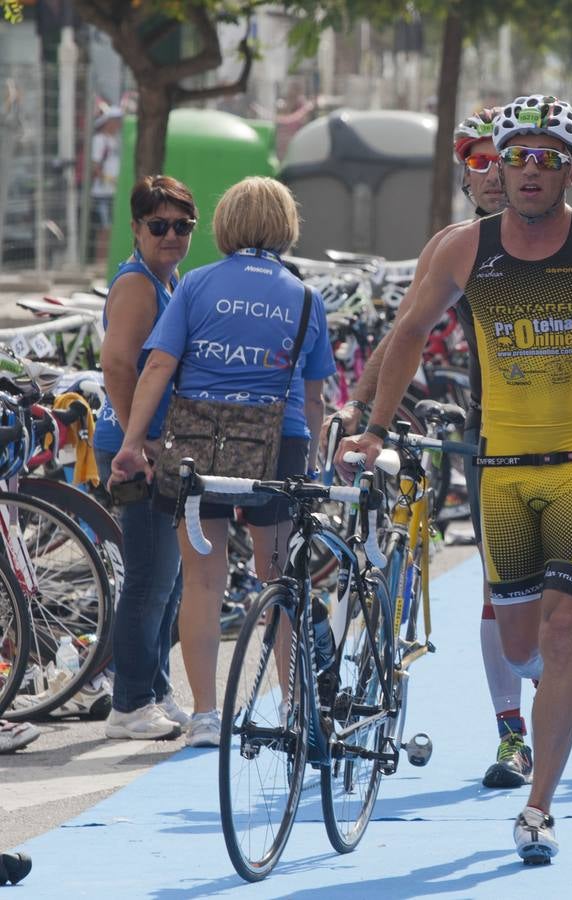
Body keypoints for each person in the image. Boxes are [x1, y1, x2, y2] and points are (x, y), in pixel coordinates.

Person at [340, 94, 572, 864]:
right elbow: (407, 334)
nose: (531, 171)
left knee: (562, 634)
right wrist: (371, 429)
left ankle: (539, 808)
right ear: (498, 168)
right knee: (521, 641)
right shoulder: (464, 249)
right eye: (517, 158)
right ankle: (545, 715)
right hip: (499, 470)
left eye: (548, 159)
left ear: (569, 169)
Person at [323, 107, 535, 790]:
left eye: (502, 156)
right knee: (499, 593)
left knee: (553, 612)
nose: (493, 172)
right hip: (494, 435)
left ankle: (549, 705)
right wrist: (361, 404)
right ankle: (513, 738)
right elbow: (405, 332)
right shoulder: (456, 246)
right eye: (476, 160)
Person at [112, 177, 336, 748]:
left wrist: (132, 444)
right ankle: (291, 708)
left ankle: (207, 715)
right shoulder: (307, 297)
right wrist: (311, 465)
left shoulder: (198, 285)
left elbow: (158, 367)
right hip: (277, 444)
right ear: (287, 226)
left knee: (203, 583)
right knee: (281, 580)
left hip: (196, 443)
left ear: (225, 224)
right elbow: (314, 398)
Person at [95, 175, 198, 740]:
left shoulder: (166, 277)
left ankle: (154, 688)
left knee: (169, 576)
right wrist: (138, 440)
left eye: (182, 226)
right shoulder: (138, 284)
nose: (170, 236)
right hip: (136, 449)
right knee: (149, 576)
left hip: (155, 445)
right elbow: (116, 365)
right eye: (158, 226)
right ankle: (129, 703)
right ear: (135, 229)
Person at [90, 107, 124, 262]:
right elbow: (95, 166)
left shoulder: (117, 140)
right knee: (104, 228)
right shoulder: (99, 140)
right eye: (116, 120)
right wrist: (109, 179)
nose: (118, 124)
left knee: (113, 228)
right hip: (102, 191)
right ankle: (100, 262)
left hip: (114, 191)